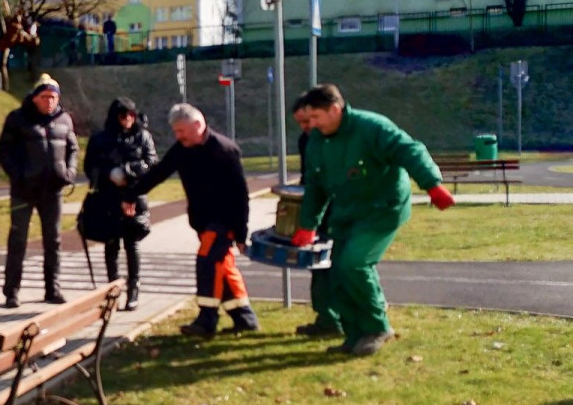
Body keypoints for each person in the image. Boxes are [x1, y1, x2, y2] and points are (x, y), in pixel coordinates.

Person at [291, 83, 455, 356]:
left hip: (383, 209)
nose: (313, 125)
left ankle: (377, 327)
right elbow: (315, 186)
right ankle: (354, 334)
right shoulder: (317, 141)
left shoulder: (371, 127)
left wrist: (432, 185)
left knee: (354, 263)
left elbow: (410, 150)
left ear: (335, 109)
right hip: (347, 212)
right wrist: (308, 225)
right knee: (336, 273)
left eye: (316, 117)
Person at [127, 103, 260, 337]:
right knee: (223, 268)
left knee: (207, 264)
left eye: (181, 131)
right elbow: (160, 172)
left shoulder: (224, 150)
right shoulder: (182, 149)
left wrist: (241, 233)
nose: (178, 136)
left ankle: (206, 320)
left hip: (223, 223)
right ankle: (245, 318)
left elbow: (241, 196)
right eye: (176, 132)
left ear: (198, 125)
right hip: (202, 222)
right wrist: (132, 194)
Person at [0, 73, 79, 308]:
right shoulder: (17, 118)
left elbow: (73, 149)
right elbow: (4, 151)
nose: (49, 101)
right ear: (34, 97)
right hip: (24, 190)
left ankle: (53, 289)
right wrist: (18, 175)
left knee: (53, 241)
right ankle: (11, 292)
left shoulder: (64, 120)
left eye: (53, 97)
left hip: (53, 190)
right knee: (18, 240)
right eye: (45, 96)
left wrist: (70, 172)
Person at [83, 97, 158, 311]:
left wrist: (128, 172)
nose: (128, 119)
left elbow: (152, 162)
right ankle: (113, 289)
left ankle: (134, 288)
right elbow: (90, 166)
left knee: (132, 243)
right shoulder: (100, 139)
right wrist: (109, 173)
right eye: (124, 115)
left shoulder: (142, 136)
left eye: (132, 115)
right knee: (111, 244)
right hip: (108, 197)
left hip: (134, 196)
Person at [293, 101, 342, 338]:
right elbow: (309, 180)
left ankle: (338, 319)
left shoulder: (336, 140)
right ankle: (326, 318)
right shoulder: (306, 141)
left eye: (308, 121)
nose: (305, 126)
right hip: (319, 214)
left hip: (340, 211)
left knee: (340, 267)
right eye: (300, 123)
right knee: (320, 267)